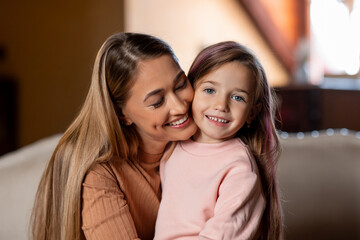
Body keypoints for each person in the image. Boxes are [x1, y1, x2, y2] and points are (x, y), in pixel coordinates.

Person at [30, 32, 198, 240]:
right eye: (157, 101)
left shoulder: (202, 142)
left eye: (181, 84)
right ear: (122, 114)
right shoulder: (98, 173)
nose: (180, 106)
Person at [154, 41, 282, 240]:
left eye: (238, 98)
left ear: (252, 113)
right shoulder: (174, 144)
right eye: (210, 90)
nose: (221, 105)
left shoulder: (239, 169)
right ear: (190, 91)